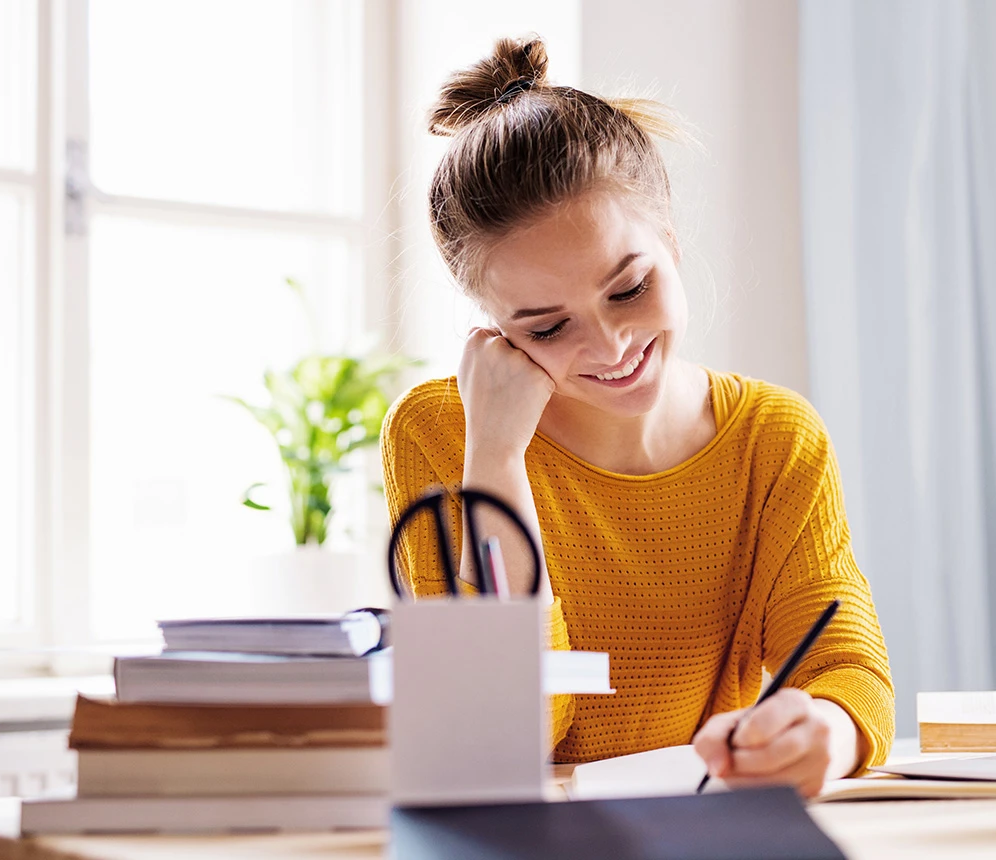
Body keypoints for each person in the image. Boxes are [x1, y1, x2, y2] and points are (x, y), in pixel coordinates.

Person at [382, 36, 893, 798]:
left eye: (627, 289)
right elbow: (499, 732)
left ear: (673, 247)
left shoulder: (773, 440)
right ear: (490, 330)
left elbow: (848, 671)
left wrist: (828, 730)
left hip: (701, 832)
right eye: (546, 328)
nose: (612, 344)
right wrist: (495, 457)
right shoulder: (438, 432)